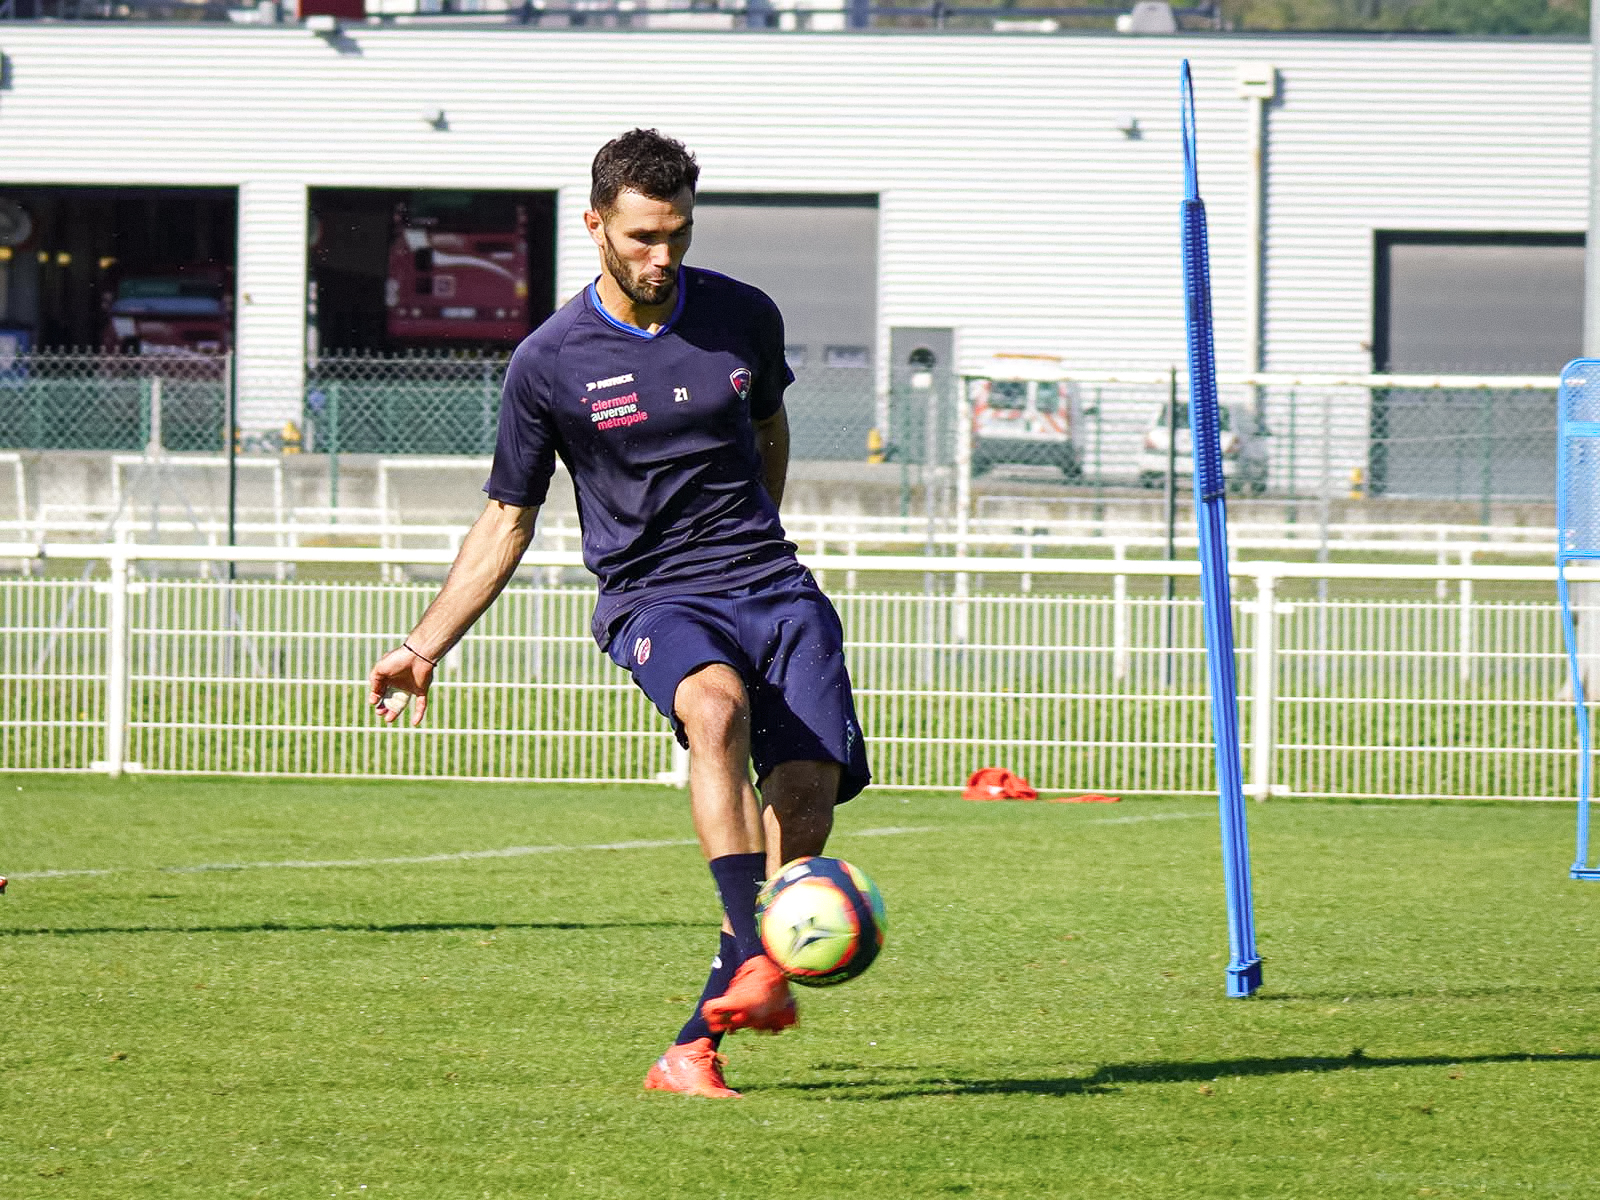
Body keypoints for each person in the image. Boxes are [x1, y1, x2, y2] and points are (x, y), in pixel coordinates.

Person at [366, 128, 870, 1099]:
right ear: (594, 224)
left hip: (770, 584)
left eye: (677, 234)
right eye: (642, 236)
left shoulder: (743, 316)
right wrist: (424, 644)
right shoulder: (548, 363)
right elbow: (507, 517)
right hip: (653, 595)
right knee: (712, 710)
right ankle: (759, 972)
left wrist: (761, 538)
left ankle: (693, 1045)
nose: (661, 257)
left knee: (802, 808)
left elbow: (769, 426)